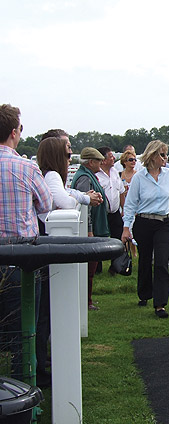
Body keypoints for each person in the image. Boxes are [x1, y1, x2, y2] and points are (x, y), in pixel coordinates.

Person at [35, 134, 103, 386]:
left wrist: (77, 197)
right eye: (67, 151)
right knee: (45, 312)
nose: (70, 154)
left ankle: (42, 358)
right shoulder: (52, 175)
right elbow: (63, 200)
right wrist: (77, 201)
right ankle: (41, 366)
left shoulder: (48, 175)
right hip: (48, 245)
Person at [0, 104, 53, 379]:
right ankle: (22, 399)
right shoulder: (25, 167)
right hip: (20, 262)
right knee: (24, 335)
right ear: (13, 133)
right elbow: (46, 206)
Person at [122, 140, 169, 318]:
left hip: (164, 222)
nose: (165, 158)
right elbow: (130, 204)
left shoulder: (168, 175)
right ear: (152, 156)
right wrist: (126, 228)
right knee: (145, 260)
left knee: (161, 262)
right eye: (162, 154)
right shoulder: (139, 177)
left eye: (166, 154)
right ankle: (144, 293)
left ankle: (160, 304)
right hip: (144, 222)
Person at [72, 147, 110, 310]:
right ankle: (85, 302)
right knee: (88, 268)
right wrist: (89, 230)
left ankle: (87, 300)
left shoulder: (88, 176)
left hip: (94, 226)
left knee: (90, 268)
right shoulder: (84, 179)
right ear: (91, 162)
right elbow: (84, 206)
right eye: (99, 160)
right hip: (90, 229)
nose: (101, 163)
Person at [96, 146, 126, 276]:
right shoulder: (95, 175)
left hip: (115, 213)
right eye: (110, 156)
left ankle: (115, 266)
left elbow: (121, 192)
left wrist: (123, 209)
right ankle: (97, 268)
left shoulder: (114, 172)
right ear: (103, 160)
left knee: (117, 238)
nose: (113, 158)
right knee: (99, 239)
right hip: (101, 214)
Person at [119, 149, 138, 257]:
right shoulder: (120, 175)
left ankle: (134, 251)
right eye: (131, 160)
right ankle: (125, 252)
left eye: (135, 160)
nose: (133, 162)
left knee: (133, 229)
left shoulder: (138, 175)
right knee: (125, 228)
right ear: (124, 162)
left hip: (135, 206)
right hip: (123, 205)